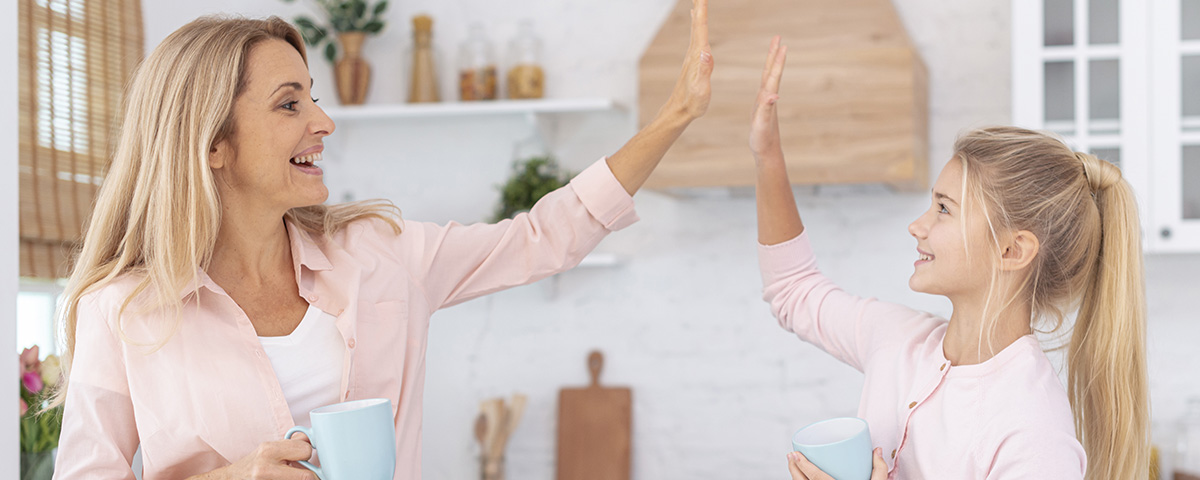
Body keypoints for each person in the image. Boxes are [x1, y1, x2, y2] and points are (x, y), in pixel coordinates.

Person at [50, 2, 713, 478]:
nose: (324, 120)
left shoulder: (381, 256)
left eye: (313, 97)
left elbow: (544, 237)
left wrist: (676, 116)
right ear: (213, 144)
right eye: (290, 104)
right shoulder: (122, 309)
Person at [749, 37, 1148, 480]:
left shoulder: (1034, 434)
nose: (917, 226)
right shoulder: (899, 342)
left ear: (1012, 250)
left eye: (943, 208)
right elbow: (793, 290)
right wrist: (767, 155)